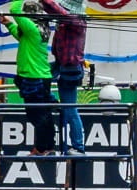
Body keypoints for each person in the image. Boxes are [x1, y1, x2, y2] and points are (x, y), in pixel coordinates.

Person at [0, 0, 57, 156]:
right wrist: (8, 24)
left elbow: (14, 8)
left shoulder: (31, 29)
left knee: (36, 115)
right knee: (44, 114)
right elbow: (21, 38)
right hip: (40, 77)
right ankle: (48, 146)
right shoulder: (38, 30)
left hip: (33, 78)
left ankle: (41, 148)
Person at [49, 0, 87, 153]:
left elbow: (57, 11)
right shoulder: (65, 23)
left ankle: (78, 146)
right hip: (60, 65)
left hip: (70, 68)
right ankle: (54, 103)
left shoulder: (77, 22)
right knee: (34, 83)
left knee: (71, 109)